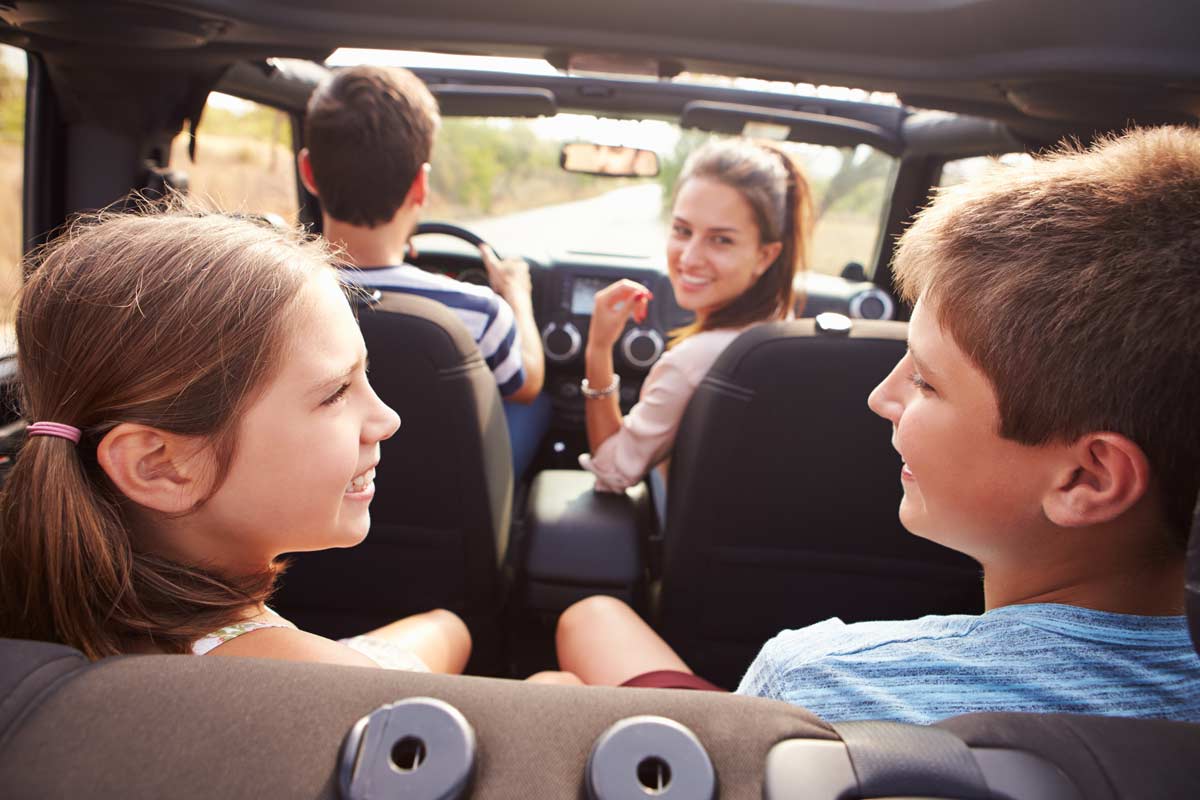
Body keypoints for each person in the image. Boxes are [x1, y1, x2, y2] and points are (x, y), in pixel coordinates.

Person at [546, 126, 1200, 724]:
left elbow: (613, 470)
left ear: (1087, 478)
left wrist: (596, 355)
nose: (877, 396)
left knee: (557, 684)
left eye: (923, 380)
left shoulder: (820, 679)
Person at [0, 207, 471, 674]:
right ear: (159, 465)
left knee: (447, 628)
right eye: (336, 393)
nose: (387, 420)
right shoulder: (328, 688)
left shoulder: (62, 615)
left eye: (363, 375)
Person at [299, 65, 548, 478]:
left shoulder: (265, 300)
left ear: (308, 172)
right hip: (441, 519)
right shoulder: (481, 312)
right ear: (420, 186)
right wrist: (517, 295)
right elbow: (529, 383)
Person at [579, 138, 812, 499]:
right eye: (682, 230)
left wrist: (597, 349)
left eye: (720, 240)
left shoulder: (692, 362)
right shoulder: (781, 329)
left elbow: (612, 472)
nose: (689, 257)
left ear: (765, 256)